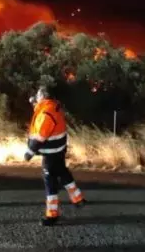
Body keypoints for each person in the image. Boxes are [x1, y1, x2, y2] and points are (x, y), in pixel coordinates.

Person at [24, 86, 87, 226]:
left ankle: (52, 215)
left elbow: (40, 136)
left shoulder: (46, 113)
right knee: (63, 173)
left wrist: (29, 152)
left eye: (38, 96)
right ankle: (78, 199)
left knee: (50, 183)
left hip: (50, 154)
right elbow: (42, 111)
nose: (37, 98)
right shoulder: (54, 106)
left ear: (44, 98)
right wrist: (36, 103)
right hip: (59, 150)